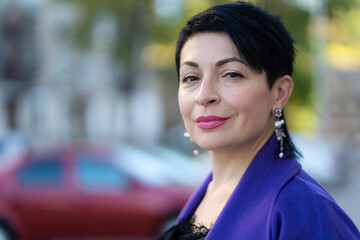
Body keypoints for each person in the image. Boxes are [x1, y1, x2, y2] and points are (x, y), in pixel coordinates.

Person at [158, 1, 360, 240]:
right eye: (191, 77)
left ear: (280, 93)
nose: (204, 96)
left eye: (231, 74)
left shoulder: (304, 210)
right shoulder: (208, 192)